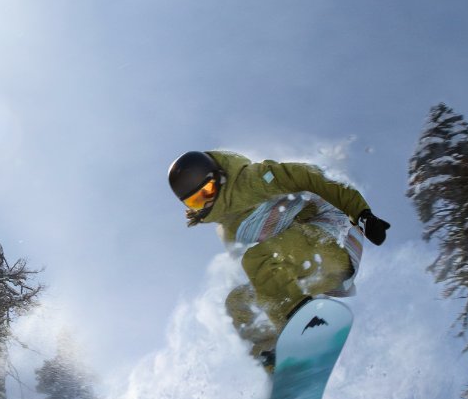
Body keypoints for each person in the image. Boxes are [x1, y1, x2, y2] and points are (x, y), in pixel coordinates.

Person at [167, 150, 390, 367]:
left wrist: (362, 213)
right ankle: (275, 361)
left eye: (207, 190)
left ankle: (305, 323)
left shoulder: (253, 179)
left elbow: (310, 176)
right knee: (237, 304)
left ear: (219, 177)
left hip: (332, 240)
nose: (206, 202)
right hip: (305, 268)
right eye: (195, 201)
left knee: (257, 259)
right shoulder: (226, 226)